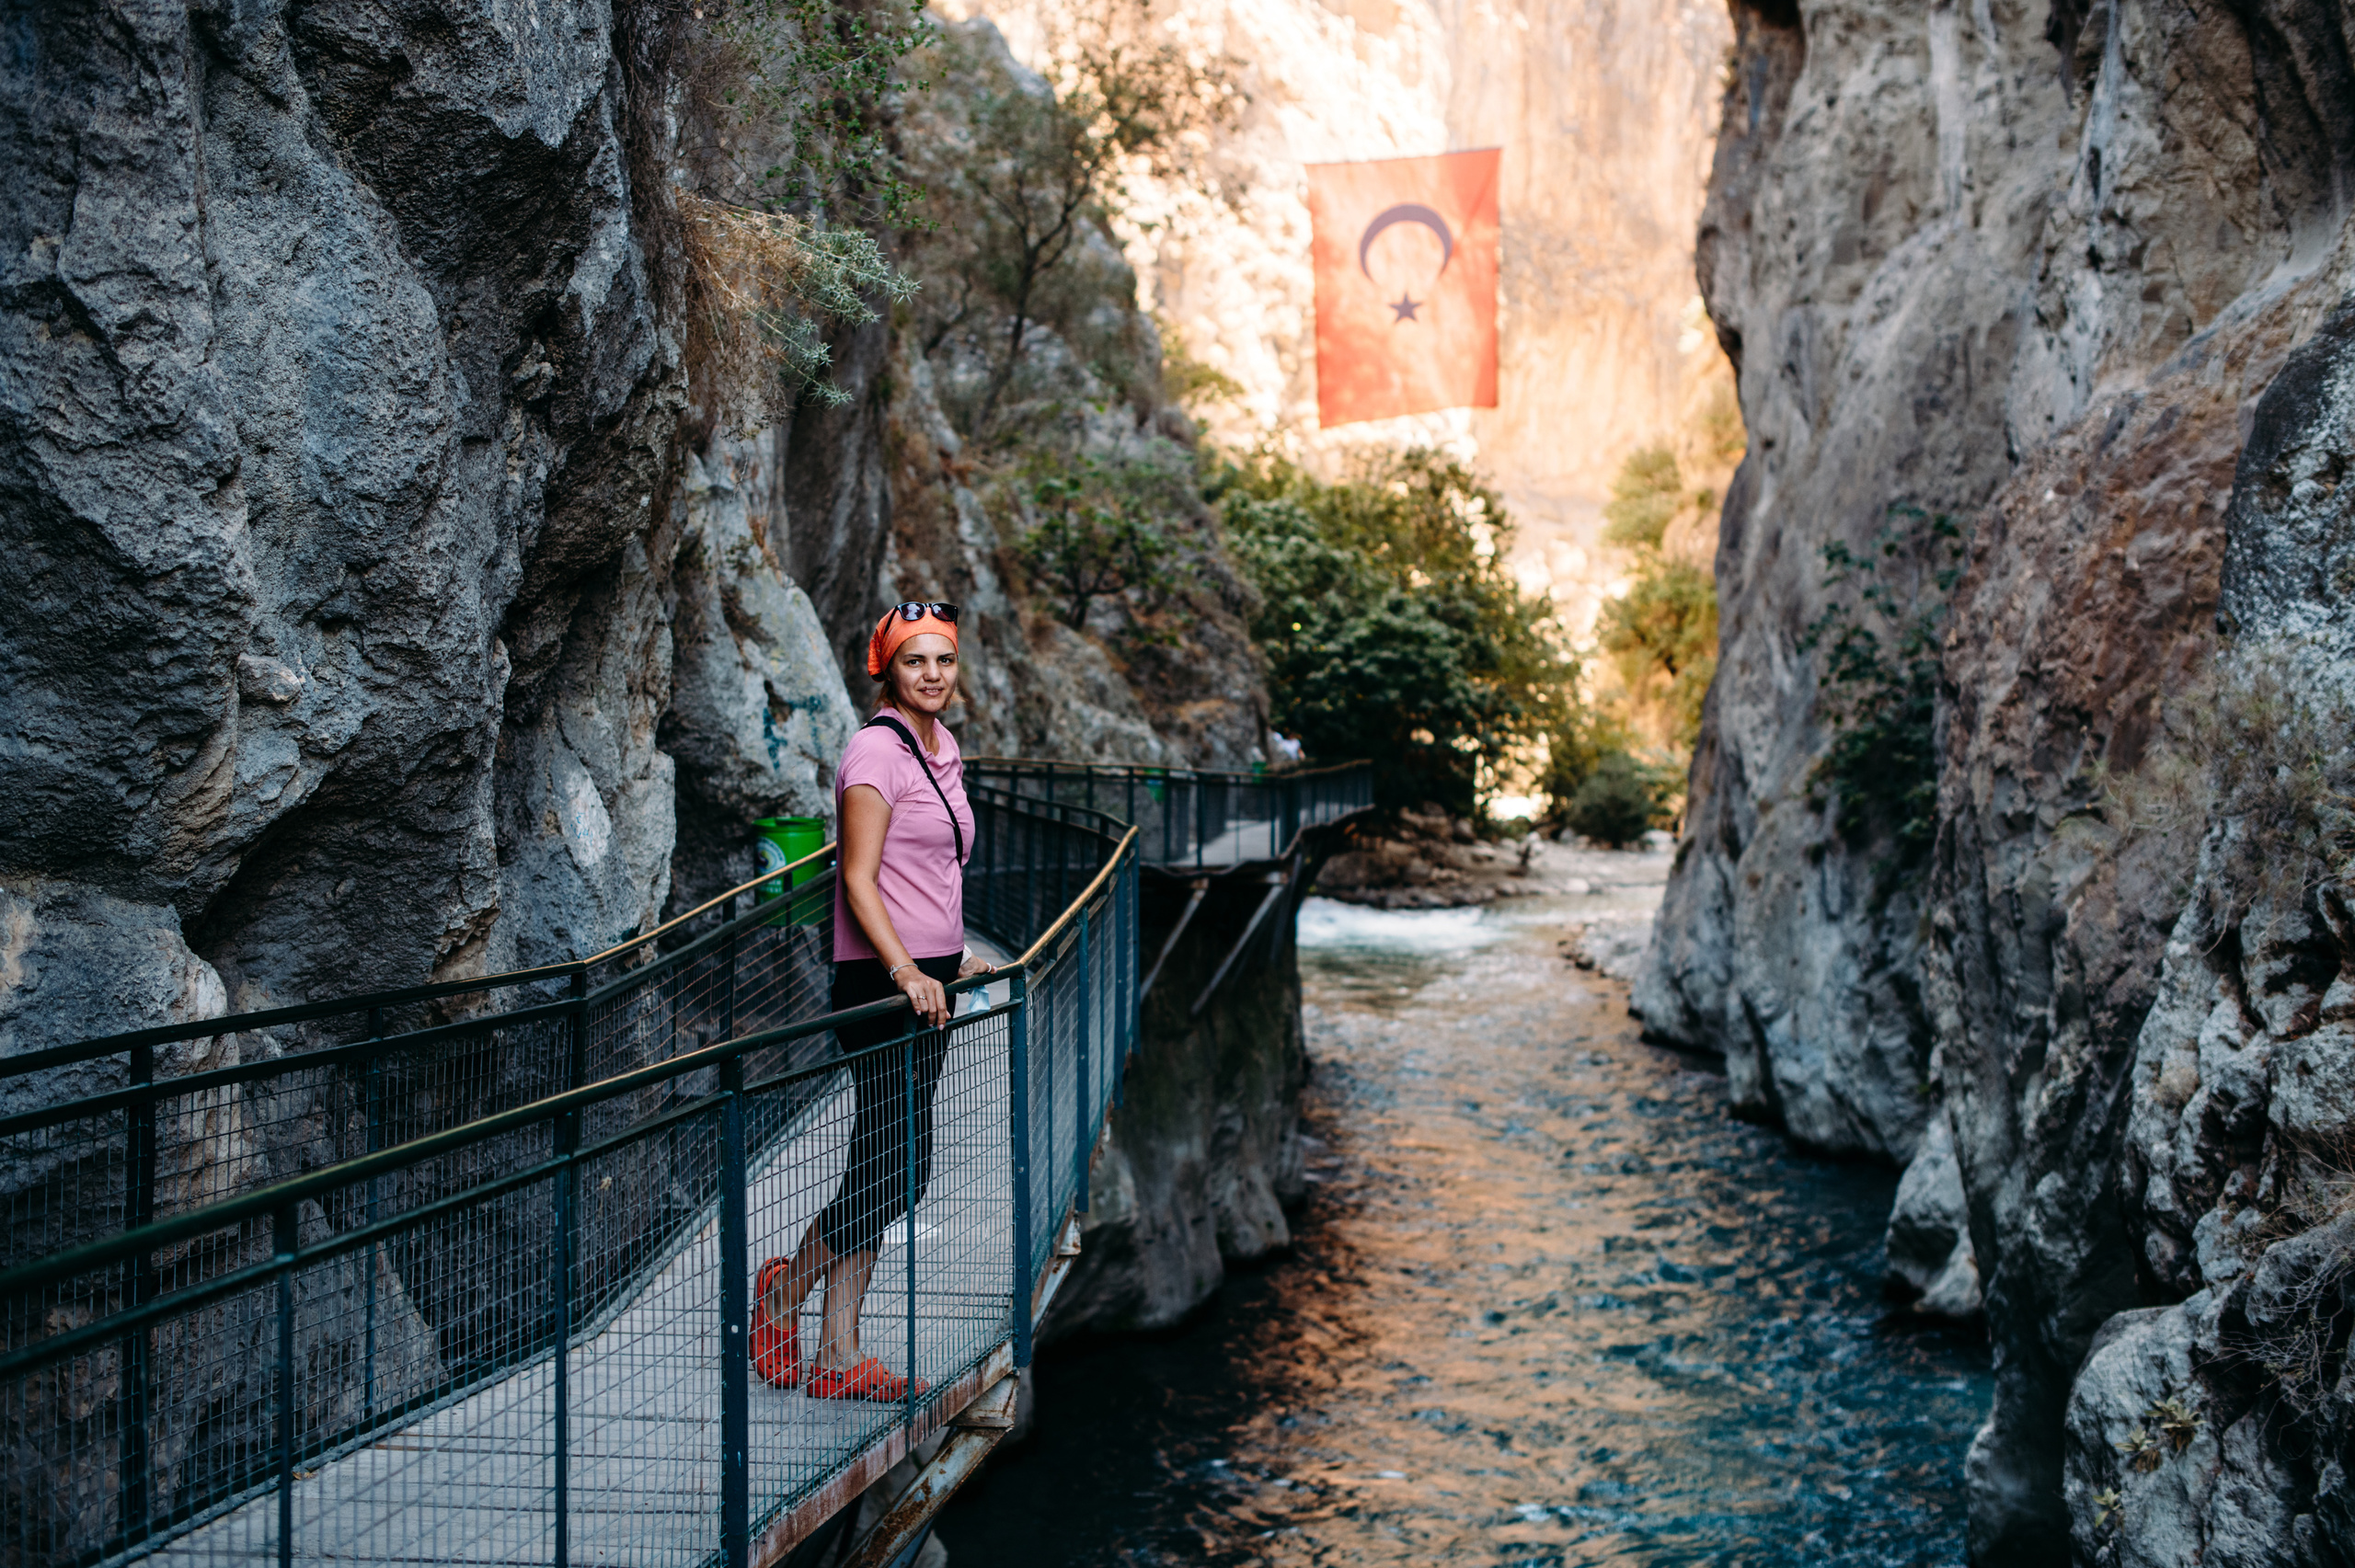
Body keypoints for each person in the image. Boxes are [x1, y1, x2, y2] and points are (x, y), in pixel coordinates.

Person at [748, 602, 994, 1401]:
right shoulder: (873, 751)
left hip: (930, 981)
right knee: (898, 1170)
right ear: (886, 669)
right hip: (882, 984)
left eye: (944, 661)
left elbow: (931, 872)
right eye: (915, 661)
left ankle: (838, 1353)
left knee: (886, 1161)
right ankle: (784, 1290)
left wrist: (950, 952)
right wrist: (905, 970)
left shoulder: (943, 748)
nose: (932, 674)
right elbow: (858, 878)